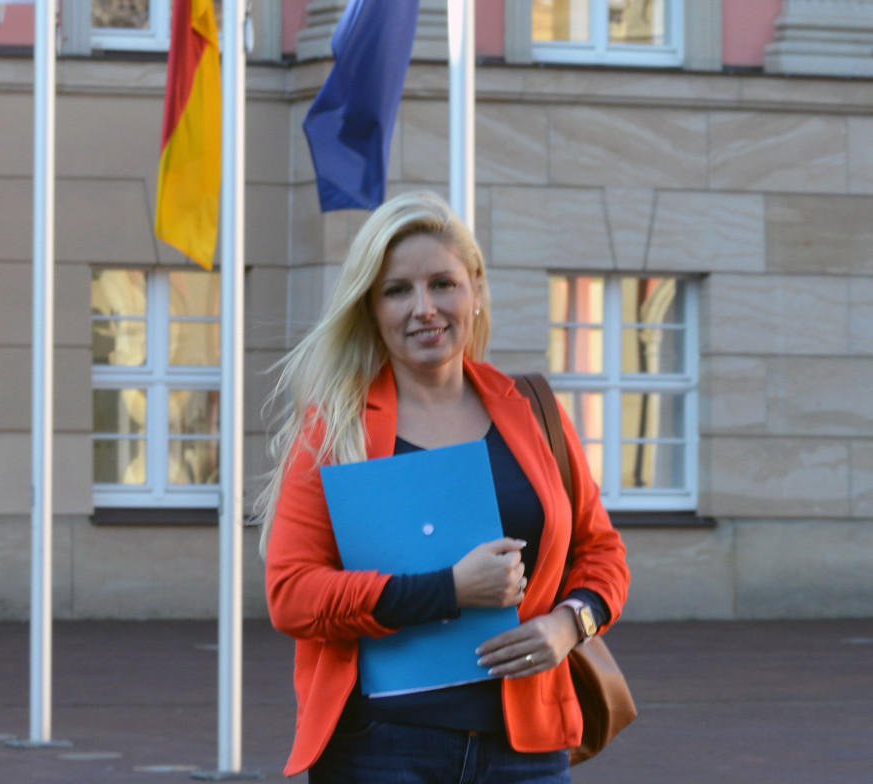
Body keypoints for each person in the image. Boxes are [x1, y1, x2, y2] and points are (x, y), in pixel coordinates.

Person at [256, 191, 630, 783]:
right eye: (397, 290)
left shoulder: (533, 410)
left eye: (442, 284)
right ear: (371, 309)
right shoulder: (335, 428)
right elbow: (292, 593)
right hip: (382, 749)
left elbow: (602, 552)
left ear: (475, 290)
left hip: (525, 750)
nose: (423, 308)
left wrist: (570, 624)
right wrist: (449, 589)